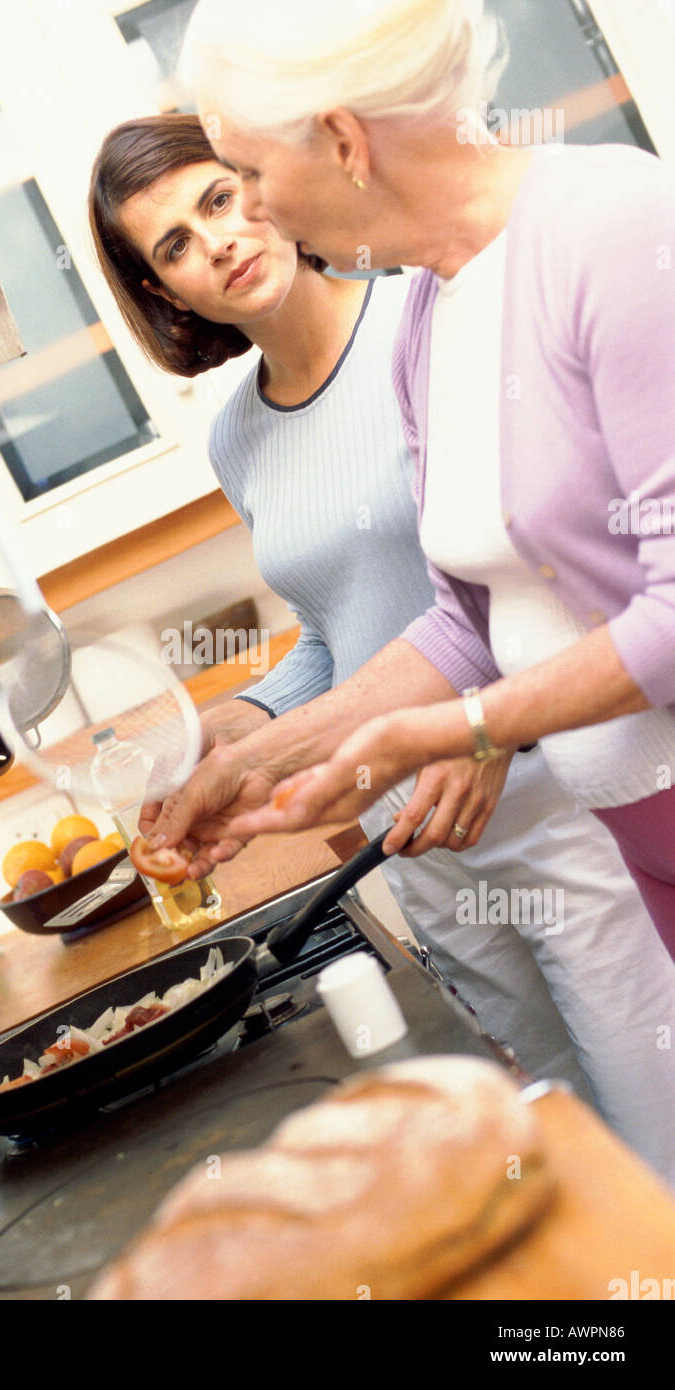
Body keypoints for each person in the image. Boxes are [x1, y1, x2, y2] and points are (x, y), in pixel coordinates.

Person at [88, 113, 675, 1180]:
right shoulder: (239, 436)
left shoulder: (426, 302)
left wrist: (480, 733)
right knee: (542, 1163)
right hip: (411, 842)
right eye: (173, 244)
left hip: (555, 792)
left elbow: (549, 572)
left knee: (656, 1134)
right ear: (165, 294)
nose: (217, 238)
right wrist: (244, 729)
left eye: (220, 195)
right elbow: (346, 624)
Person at [155, 0, 675, 961]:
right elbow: (465, 626)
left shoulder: (609, 225)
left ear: (346, 141)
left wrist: (448, 732)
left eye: (254, 176)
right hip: (644, 837)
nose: (255, 215)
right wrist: (258, 764)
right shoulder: (433, 311)